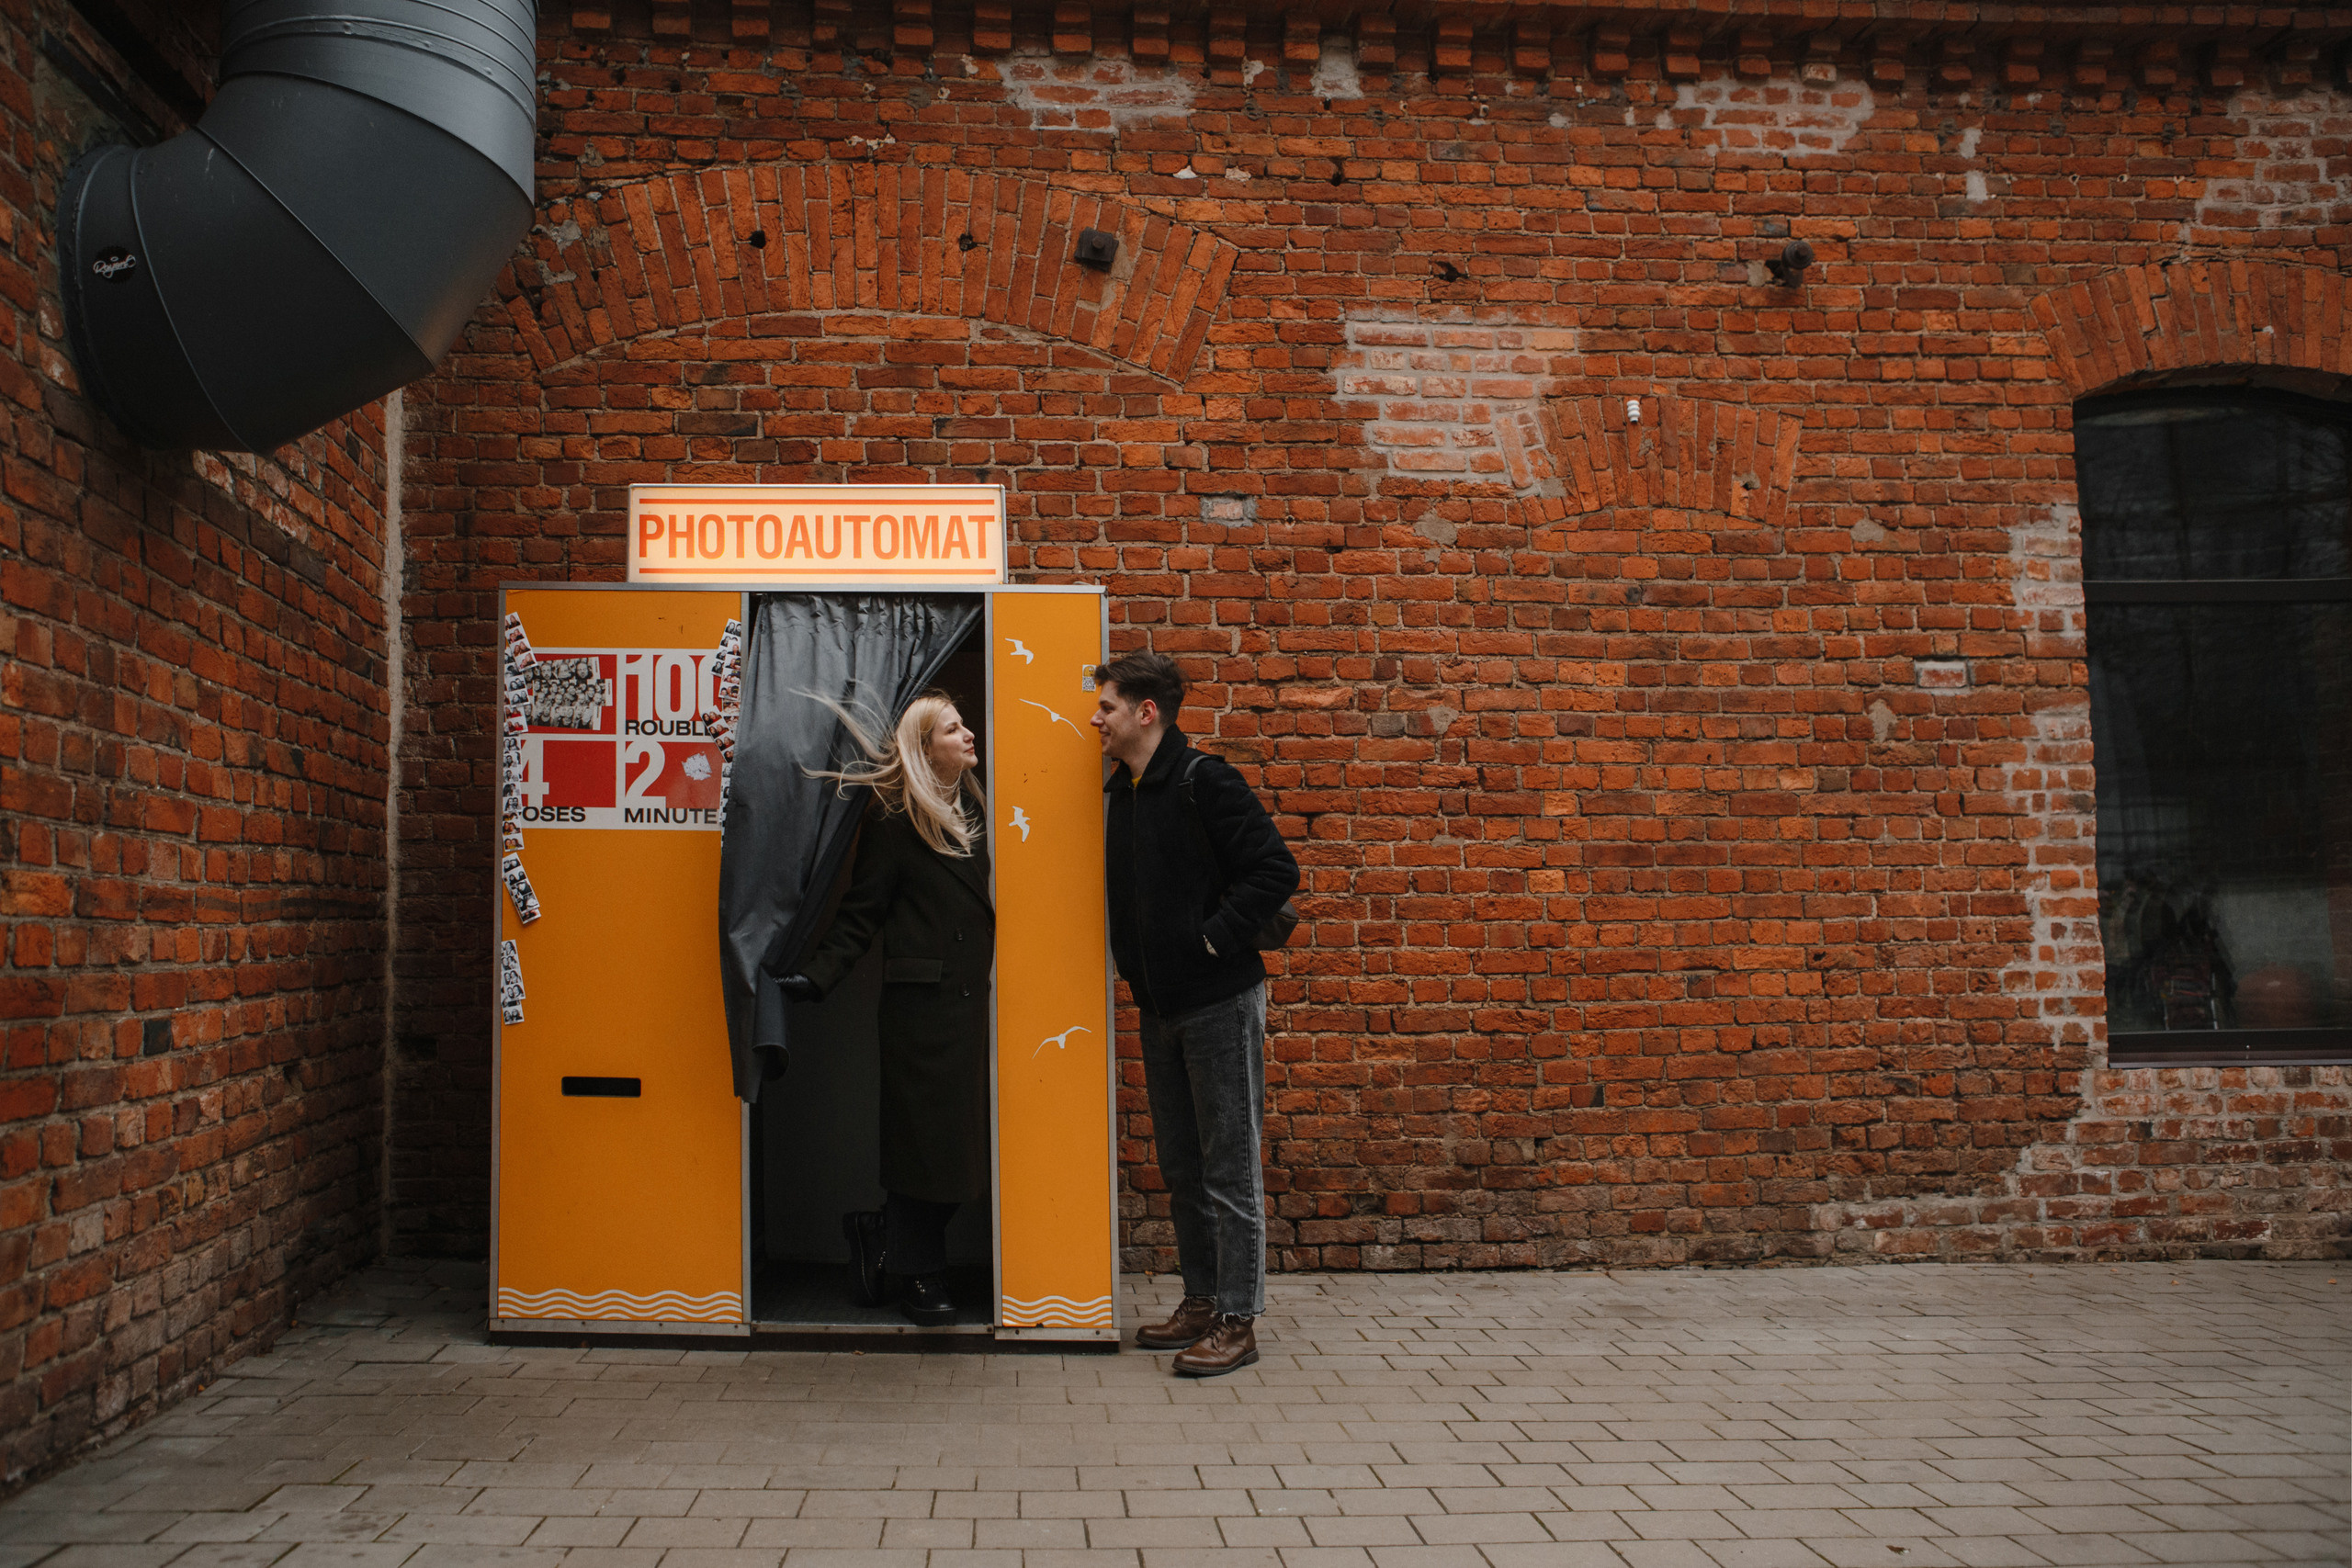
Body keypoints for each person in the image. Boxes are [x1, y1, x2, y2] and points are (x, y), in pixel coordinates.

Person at [1091, 650, 1299, 1376]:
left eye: (1108, 706)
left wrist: (1212, 937)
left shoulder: (1202, 779)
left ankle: (1239, 1319)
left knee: (1229, 1167)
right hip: (1159, 1005)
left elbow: (1276, 869)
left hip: (1218, 1000)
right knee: (1182, 1164)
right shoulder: (1126, 789)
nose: (1097, 718)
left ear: (1146, 712)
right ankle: (1203, 1300)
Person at [777, 692, 991, 1327]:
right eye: (954, 729)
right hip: (920, 1013)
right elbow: (860, 914)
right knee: (922, 1150)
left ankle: (882, 1235)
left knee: (960, 1155)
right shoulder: (895, 820)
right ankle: (919, 1275)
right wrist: (815, 978)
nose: (969, 734)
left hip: (969, 1005)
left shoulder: (973, 808)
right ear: (926, 748)